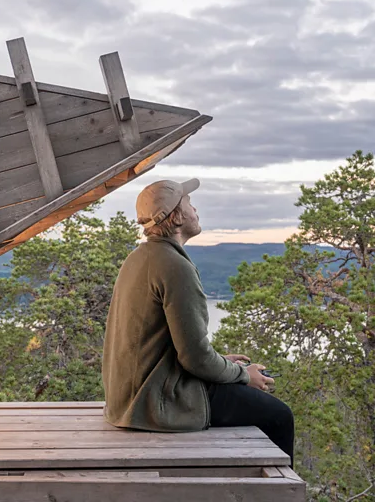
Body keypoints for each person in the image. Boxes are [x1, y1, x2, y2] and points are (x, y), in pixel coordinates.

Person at [101, 178, 295, 466]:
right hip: (156, 403)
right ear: (177, 217)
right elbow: (195, 359)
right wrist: (243, 375)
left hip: (127, 400)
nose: (196, 208)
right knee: (279, 416)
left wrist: (223, 363)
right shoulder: (175, 266)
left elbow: (164, 345)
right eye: (189, 203)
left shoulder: (138, 258)